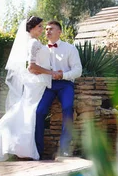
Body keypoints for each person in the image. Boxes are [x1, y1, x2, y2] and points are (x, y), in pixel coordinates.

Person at [0, 16, 58, 162]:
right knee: (27, 114)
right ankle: (10, 145)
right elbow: (31, 67)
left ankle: (19, 148)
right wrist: (51, 73)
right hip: (36, 84)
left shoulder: (35, 42)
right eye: (39, 27)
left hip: (39, 83)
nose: (42, 29)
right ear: (31, 28)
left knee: (26, 113)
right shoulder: (32, 43)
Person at [29, 20, 82, 158]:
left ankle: (64, 149)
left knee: (68, 108)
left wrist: (63, 75)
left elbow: (78, 70)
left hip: (65, 84)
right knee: (39, 112)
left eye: (51, 29)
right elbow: (34, 68)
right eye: (46, 29)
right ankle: (38, 150)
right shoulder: (41, 49)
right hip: (48, 85)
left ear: (60, 32)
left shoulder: (70, 48)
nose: (47, 31)